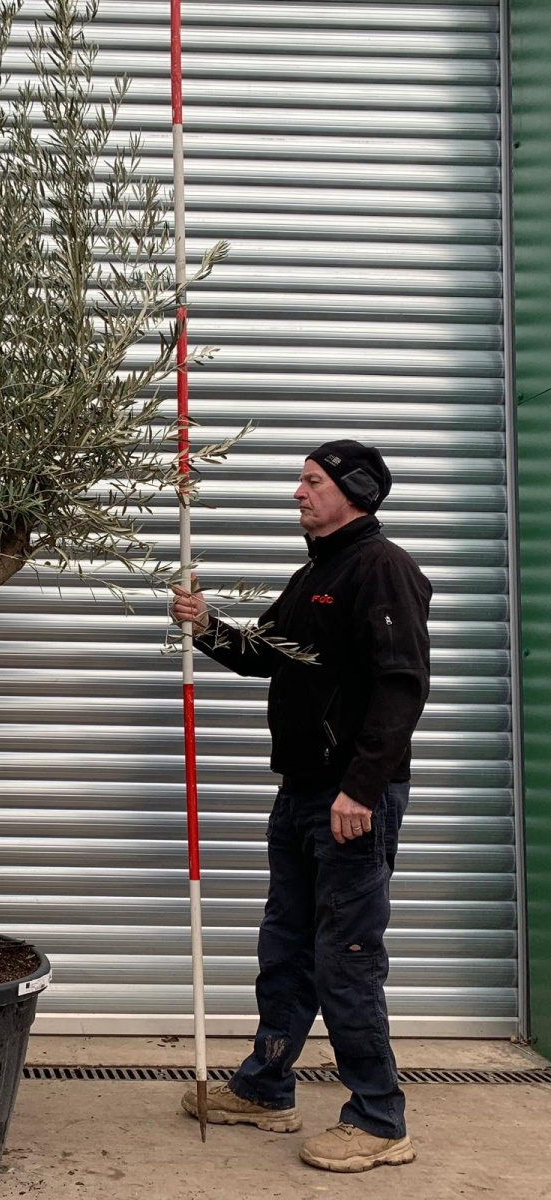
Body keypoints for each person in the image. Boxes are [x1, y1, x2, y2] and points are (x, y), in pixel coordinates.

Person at [169, 440, 432, 1173]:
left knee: (346, 958)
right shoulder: (316, 572)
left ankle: (379, 1121)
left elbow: (401, 686)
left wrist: (363, 788)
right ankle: (266, 1088)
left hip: (349, 800)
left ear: (354, 493)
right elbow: (269, 655)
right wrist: (208, 625)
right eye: (301, 480)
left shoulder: (383, 569)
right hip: (303, 795)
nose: (298, 493)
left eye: (312, 482)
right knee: (285, 948)